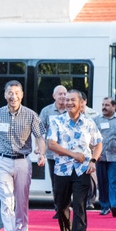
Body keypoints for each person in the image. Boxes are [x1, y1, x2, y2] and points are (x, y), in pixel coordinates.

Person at [0, 80, 46, 231]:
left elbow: (40, 137)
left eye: (17, 93)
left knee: (21, 200)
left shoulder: (30, 115)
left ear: (22, 95)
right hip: (2, 161)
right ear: (5, 95)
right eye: (10, 93)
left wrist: (41, 153)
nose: (13, 96)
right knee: (7, 200)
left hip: (22, 161)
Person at [47, 90, 102, 231]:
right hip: (61, 170)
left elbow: (98, 143)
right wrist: (73, 155)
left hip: (82, 171)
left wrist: (93, 161)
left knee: (79, 206)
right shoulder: (56, 121)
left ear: (81, 103)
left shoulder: (88, 122)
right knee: (61, 205)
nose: (69, 102)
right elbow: (52, 145)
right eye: (67, 100)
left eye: (73, 100)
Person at [39, 85, 68, 216]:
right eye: (60, 94)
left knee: (67, 182)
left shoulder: (71, 109)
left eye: (64, 93)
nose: (62, 96)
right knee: (56, 182)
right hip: (53, 154)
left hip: (69, 154)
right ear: (54, 96)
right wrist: (41, 150)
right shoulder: (47, 111)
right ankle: (59, 208)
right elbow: (40, 132)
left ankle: (66, 207)